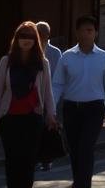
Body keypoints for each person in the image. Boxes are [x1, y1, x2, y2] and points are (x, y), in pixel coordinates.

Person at [51, 15, 105, 188]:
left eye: (90, 30)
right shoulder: (67, 57)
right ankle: (78, 182)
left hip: (94, 108)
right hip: (71, 107)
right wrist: (51, 110)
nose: (86, 34)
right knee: (74, 149)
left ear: (96, 33)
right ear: (77, 32)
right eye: (83, 30)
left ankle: (82, 184)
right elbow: (57, 85)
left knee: (86, 147)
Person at [0, 21, 55, 188]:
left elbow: (48, 92)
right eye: (22, 36)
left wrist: (51, 115)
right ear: (16, 39)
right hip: (10, 119)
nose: (26, 40)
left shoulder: (43, 63)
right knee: (12, 162)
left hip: (33, 120)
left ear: (36, 40)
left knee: (29, 163)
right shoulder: (6, 61)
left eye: (30, 37)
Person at [34, 21, 62, 171]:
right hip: (33, 97)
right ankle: (36, 158)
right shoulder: (32, 50)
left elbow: (57, 78)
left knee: (48, 128)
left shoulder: (55, 52)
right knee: (35, 129)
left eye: (42, 34)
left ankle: (46, 158)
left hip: (49, 96)